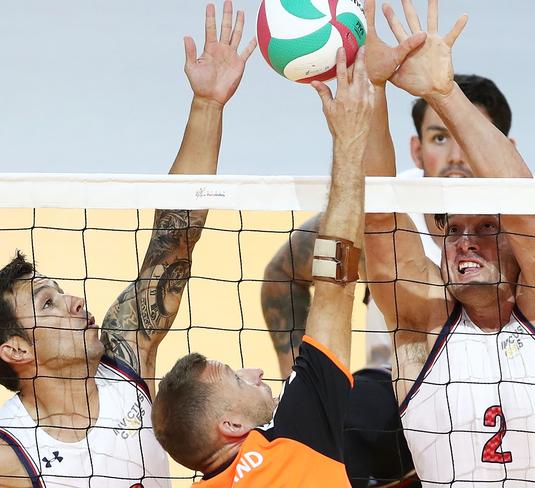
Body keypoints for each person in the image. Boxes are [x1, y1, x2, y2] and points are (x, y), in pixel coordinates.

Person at [364, 0, 535, 485]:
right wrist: (373, 87)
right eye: (453, 230)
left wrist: (443, 92)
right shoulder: (422, 331)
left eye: (487, 228)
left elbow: (527, 209)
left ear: (517, 246)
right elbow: (380, 219)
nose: (465, 242)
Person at [0, 2, 256, 486]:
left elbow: (175, 237)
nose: (75, 300)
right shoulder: (9, 454)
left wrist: (208, 104)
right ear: (14, 348)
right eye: (48, 302)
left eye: (61, 292)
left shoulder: (124, 358)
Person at [150, 44, 421, 486]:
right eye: (238, 378)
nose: (252, 370)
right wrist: (349, 143)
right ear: (232, 427)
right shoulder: (296, 436)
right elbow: (334, 284)